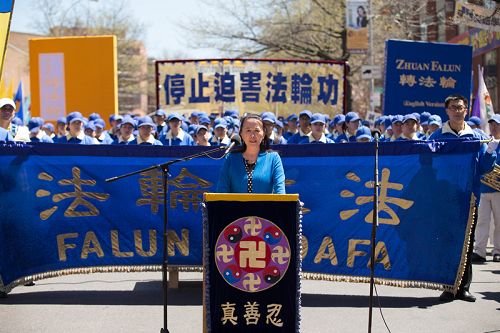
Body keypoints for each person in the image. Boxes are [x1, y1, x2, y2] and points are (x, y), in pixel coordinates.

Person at [429, 94, 498, 303]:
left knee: (467, 244)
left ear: (466, 110)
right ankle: (449, 287)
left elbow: (485, 168)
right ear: (447, 111)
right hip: (445, 199)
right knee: (448, 243)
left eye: (460, 107)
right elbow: (428, 165)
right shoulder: (437, 136)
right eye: (453, 107)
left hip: (469, 198)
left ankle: (464, 287)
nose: (457, 110)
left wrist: (490, 153)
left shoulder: (476, 136)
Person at [217, 114, 285, 194]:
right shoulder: (231, 158)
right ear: (241, 133)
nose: (252, 135)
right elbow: (222, 191)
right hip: (234, 206)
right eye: (248, 130)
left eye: (256, 131)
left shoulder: (273, 158)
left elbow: (280, 192)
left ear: (263, 134)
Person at [472, 114, 500, 263]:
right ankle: (480, 251)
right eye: (491, 124)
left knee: (499, 222)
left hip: (498, 191)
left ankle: (498, 251)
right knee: (482, 221)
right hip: (483, 189)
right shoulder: (486, 141)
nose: (494, 127)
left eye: (496, 125)